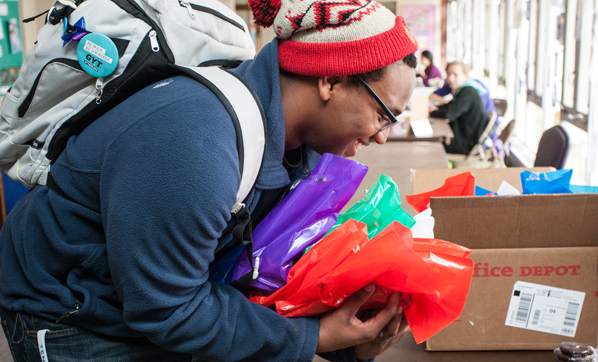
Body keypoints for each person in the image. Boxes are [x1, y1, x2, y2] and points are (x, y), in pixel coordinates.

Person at [0, 0, 418, 361]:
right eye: (384, 114)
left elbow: (264, 267)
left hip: (150, 301)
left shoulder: (299, 148)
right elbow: (166, 309)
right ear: (332, 80)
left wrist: (347, 338)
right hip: (73, 310)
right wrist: (315, 338)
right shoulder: (194, 142)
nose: (383, 136)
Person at [429, 61, 488, 155]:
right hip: (463, 138)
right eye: (449, 74)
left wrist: (432, 112)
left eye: (455, 75)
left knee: (431, 144)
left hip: (465, 145)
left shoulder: (468, 92)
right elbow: (451, 106)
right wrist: (436, 108)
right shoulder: (463, 90)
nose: (451, 78)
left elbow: (449, 113)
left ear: (465, 75)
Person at [430, 66, 496, 115]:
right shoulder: (454, 84)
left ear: (466, 76)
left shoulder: (473, 89)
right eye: (449, 74)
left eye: (456, 74)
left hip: (486, 122)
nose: (451, 78)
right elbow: (433, 94)